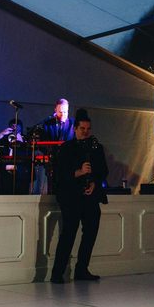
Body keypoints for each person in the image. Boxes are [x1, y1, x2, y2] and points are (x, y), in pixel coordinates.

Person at [50, 111, 108, 283]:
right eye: (82, 128)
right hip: (71, 197)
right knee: (68, 234)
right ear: (75, 129)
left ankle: (82, 269)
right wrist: (79, 172)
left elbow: (103, 171)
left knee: (90, 233)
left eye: (88, 129)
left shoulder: (97, 148)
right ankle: (57, 273)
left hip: (90, 197)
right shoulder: (66, 148)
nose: (85, 131)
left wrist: (94, 183)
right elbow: (60, 175)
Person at [30, 99, 74, 194]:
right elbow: (43, 141)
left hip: (68, 161)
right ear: (55, 110)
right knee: (51, 187)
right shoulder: (47, 124)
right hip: (52, 160)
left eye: (65, 112)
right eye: (60, 112)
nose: (63, 114)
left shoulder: (73, 124)